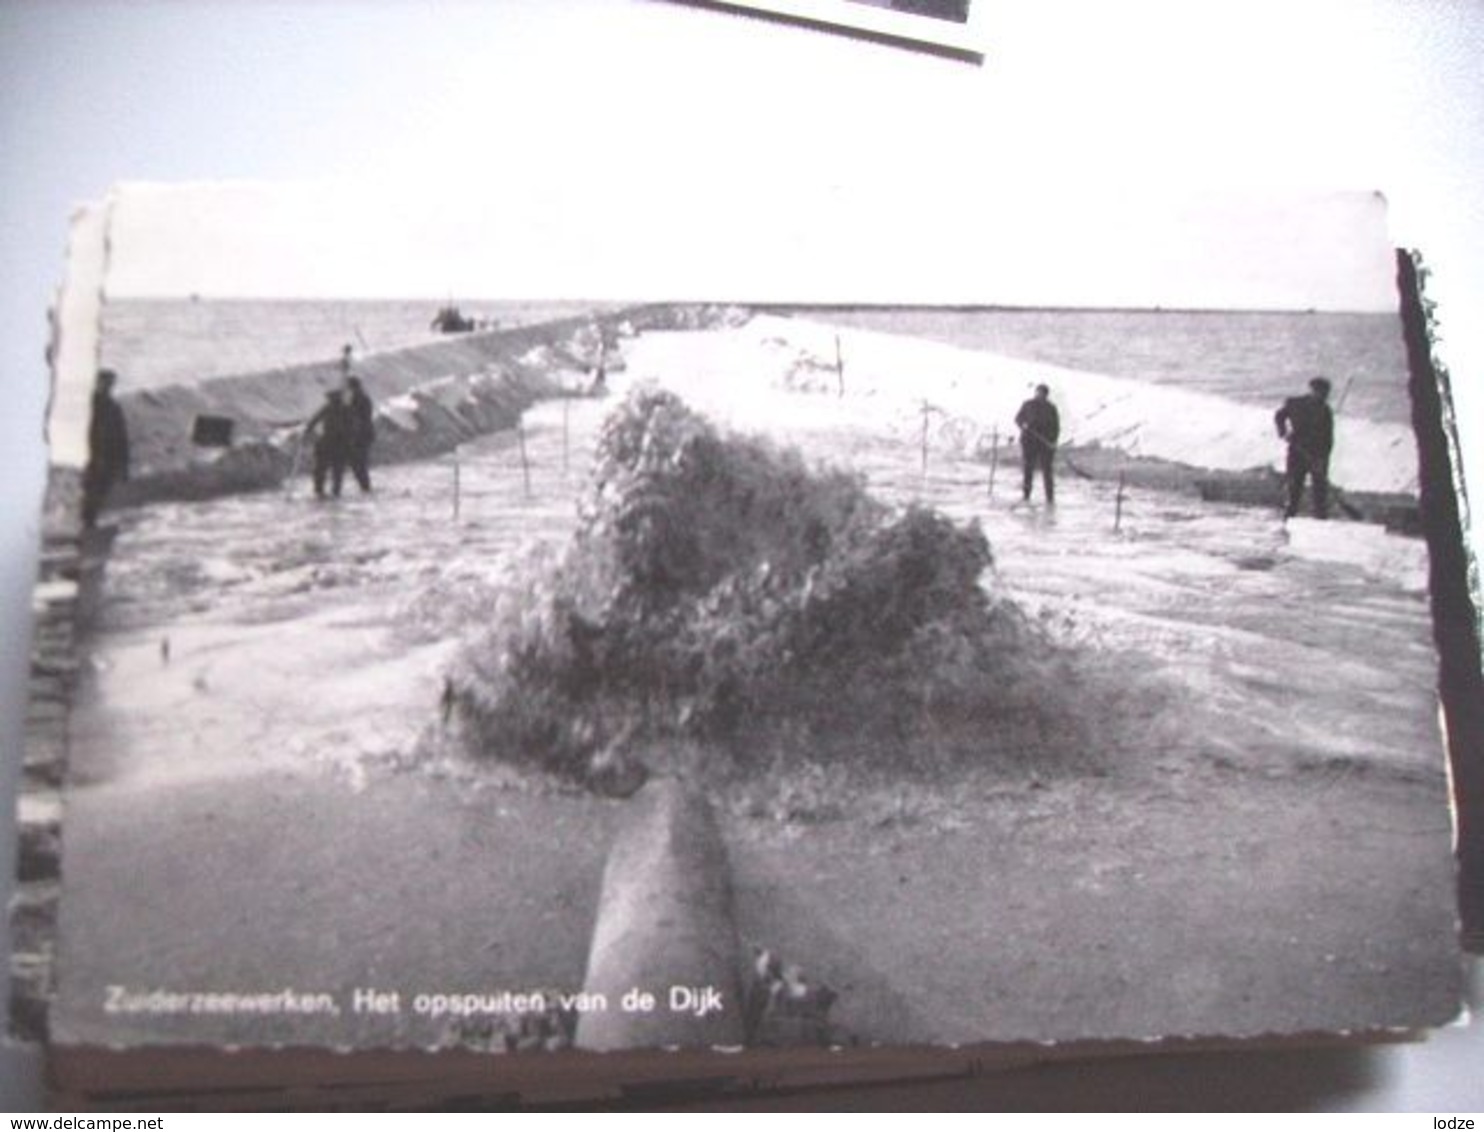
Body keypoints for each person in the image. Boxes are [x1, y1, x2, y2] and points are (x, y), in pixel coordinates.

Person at [1274, 376, 1335, 519]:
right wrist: (1283, 432)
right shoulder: (1295, 403)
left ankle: (1320, 521)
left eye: (1326, 394)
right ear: (1313, 390)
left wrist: (1323, 458)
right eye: (1322, 393)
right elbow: (1279, 416)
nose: (1325, 396)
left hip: (1318, 455)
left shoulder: (1326, 410)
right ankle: (1289, 517)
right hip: (1297, 452)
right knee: (1294, 488)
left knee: (1320, 493)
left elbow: (1329, 438)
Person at [82, 368, 130, 527]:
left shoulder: (113, 407)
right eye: (104, 383)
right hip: (92, 457)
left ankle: (89, 526)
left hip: (108, 459)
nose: (108, 386)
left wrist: (124, 465)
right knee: (89, 494)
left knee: (98, 494)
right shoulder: (88, 404)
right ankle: (86, 526)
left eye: (110, 383)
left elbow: (122, 438)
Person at [1014, 384, 1060, 505]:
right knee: (1028, 469)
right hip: (1029, 442)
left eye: (1042, 393)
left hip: (1045, 444)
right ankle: (1026, 495)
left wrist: (1053, 442)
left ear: (1046, 395)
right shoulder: (1028, 404)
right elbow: (1018, 418)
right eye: (1038, 392)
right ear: (1035, 393)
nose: (1040, 395)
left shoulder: (1051, 408)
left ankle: (1050, 498)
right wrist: (1023, 425)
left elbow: (1056, 428)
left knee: (1047, 471)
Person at [305, 388, 353, 498]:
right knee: (332, 470)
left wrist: (307, 431)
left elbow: (313, 422)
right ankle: (325, 491)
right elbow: (313, 422)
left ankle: (322, 491)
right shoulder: (340, 409)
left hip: (333, 442)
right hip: (335, 442)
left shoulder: (334, 409)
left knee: (327, 469)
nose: (332, 400)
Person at [344, 375, 375, 493]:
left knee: (358, 462)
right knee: (360, 462)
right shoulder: (364, 398)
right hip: (366, 433)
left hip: (360, 434)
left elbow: (355, 417)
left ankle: (365, 487)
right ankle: (365, 486)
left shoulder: (357, 399)